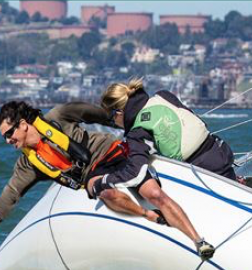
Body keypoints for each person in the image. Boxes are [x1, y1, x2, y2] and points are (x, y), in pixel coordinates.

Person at [0, 100, 167, 243]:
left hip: (113, 152)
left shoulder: (58, 116)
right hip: (95, 178)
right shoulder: (28, 164)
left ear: (22, 124)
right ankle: (148, 215)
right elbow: (11, 194)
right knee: (104, 192)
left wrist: (126, 122)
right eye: (4, 137)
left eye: (9, 133)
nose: (8, 140)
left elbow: (95, 113)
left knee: (143, 175)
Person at [92, 78, 241, 258]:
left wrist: (105, 181)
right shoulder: (163, 95)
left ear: (119, 112)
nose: (114, 123)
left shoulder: (137, 132)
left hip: (204, 173)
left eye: (111, 118)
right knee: (236, 192)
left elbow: (135, 173)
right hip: (221, 152)